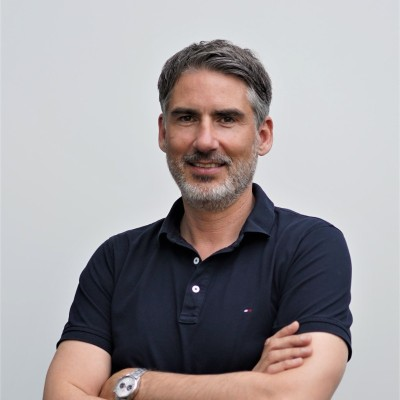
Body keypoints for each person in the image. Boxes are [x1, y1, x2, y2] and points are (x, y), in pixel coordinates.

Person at [43, 39, 352, 400]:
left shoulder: (310, 247)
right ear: (163, 132)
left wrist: (132, 383)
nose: (205, 142)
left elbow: (290, 395)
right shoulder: (116, 259)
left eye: (226, 119)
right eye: (187, 118)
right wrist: (248, 384)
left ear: (262, 136)